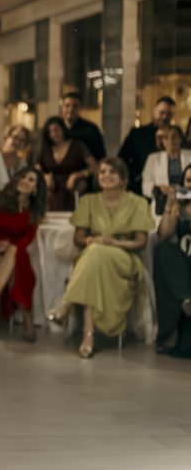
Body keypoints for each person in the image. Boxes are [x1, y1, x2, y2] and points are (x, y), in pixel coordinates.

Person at [62, 157, 156, 358]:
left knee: (95, 255)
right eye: (103, 172)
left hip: (124, 258)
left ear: (123, 179)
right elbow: (78, 238)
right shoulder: (89, 201)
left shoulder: (138, 202)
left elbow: (141, 242)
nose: (106, 175)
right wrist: (92, 240)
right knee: (94, 259)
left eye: (112, 172)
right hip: (93, 255)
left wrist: (114, 243)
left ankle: (66, 304)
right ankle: (89, 335)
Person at [0, 167, 45, 341]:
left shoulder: (34, 209)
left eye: (31, 180)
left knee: (17, 256)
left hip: (16, 249)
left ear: (36, 188)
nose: (25, 181)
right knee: (18, 262)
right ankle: (27, 317)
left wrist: (12, 247)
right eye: (23, 176)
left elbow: (28, 237)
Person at [154, 166, 191, 358]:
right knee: (164, 250)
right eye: (189, 181)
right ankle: (187, 300)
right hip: (184, 263)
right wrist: (170, 206)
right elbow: (163, 235)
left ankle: (186, 299)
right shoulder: (180, 208)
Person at [37, 117, 96, 212]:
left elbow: (94, 166)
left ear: (63, 129)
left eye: (56, 130)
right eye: (50, 132)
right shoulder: (46, 149)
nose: (53, 134)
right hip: (52, 196)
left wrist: (78, 174)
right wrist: (45, 177)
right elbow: (37, 169)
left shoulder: (78, 146)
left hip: (75, 191)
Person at [119, 95, 175, 194]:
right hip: (139, 188)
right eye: (161, 112)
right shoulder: (137, 134)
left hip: (168, 188)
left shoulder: (177, 137)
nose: (165, 117)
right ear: (154, 111)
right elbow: (122, 159)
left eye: (169, 114)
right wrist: (134, 178)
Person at [142, 125, 191, 216]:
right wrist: (159, 189)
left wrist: (177, 191)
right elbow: (146, 186)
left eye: (174, 136)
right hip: (162, 204)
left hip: (188, 203)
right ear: (162, 141)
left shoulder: (189, 156)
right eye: (166, 137)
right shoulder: (153, 159)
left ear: (180, 139)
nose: (170, 141)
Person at [59, 91, 106, 161]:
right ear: (62, 108)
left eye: (75, 106)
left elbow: (101, 157)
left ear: (80, 108)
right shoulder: (55, 128)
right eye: (67, 106)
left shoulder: (91, 130)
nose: (71, 109)